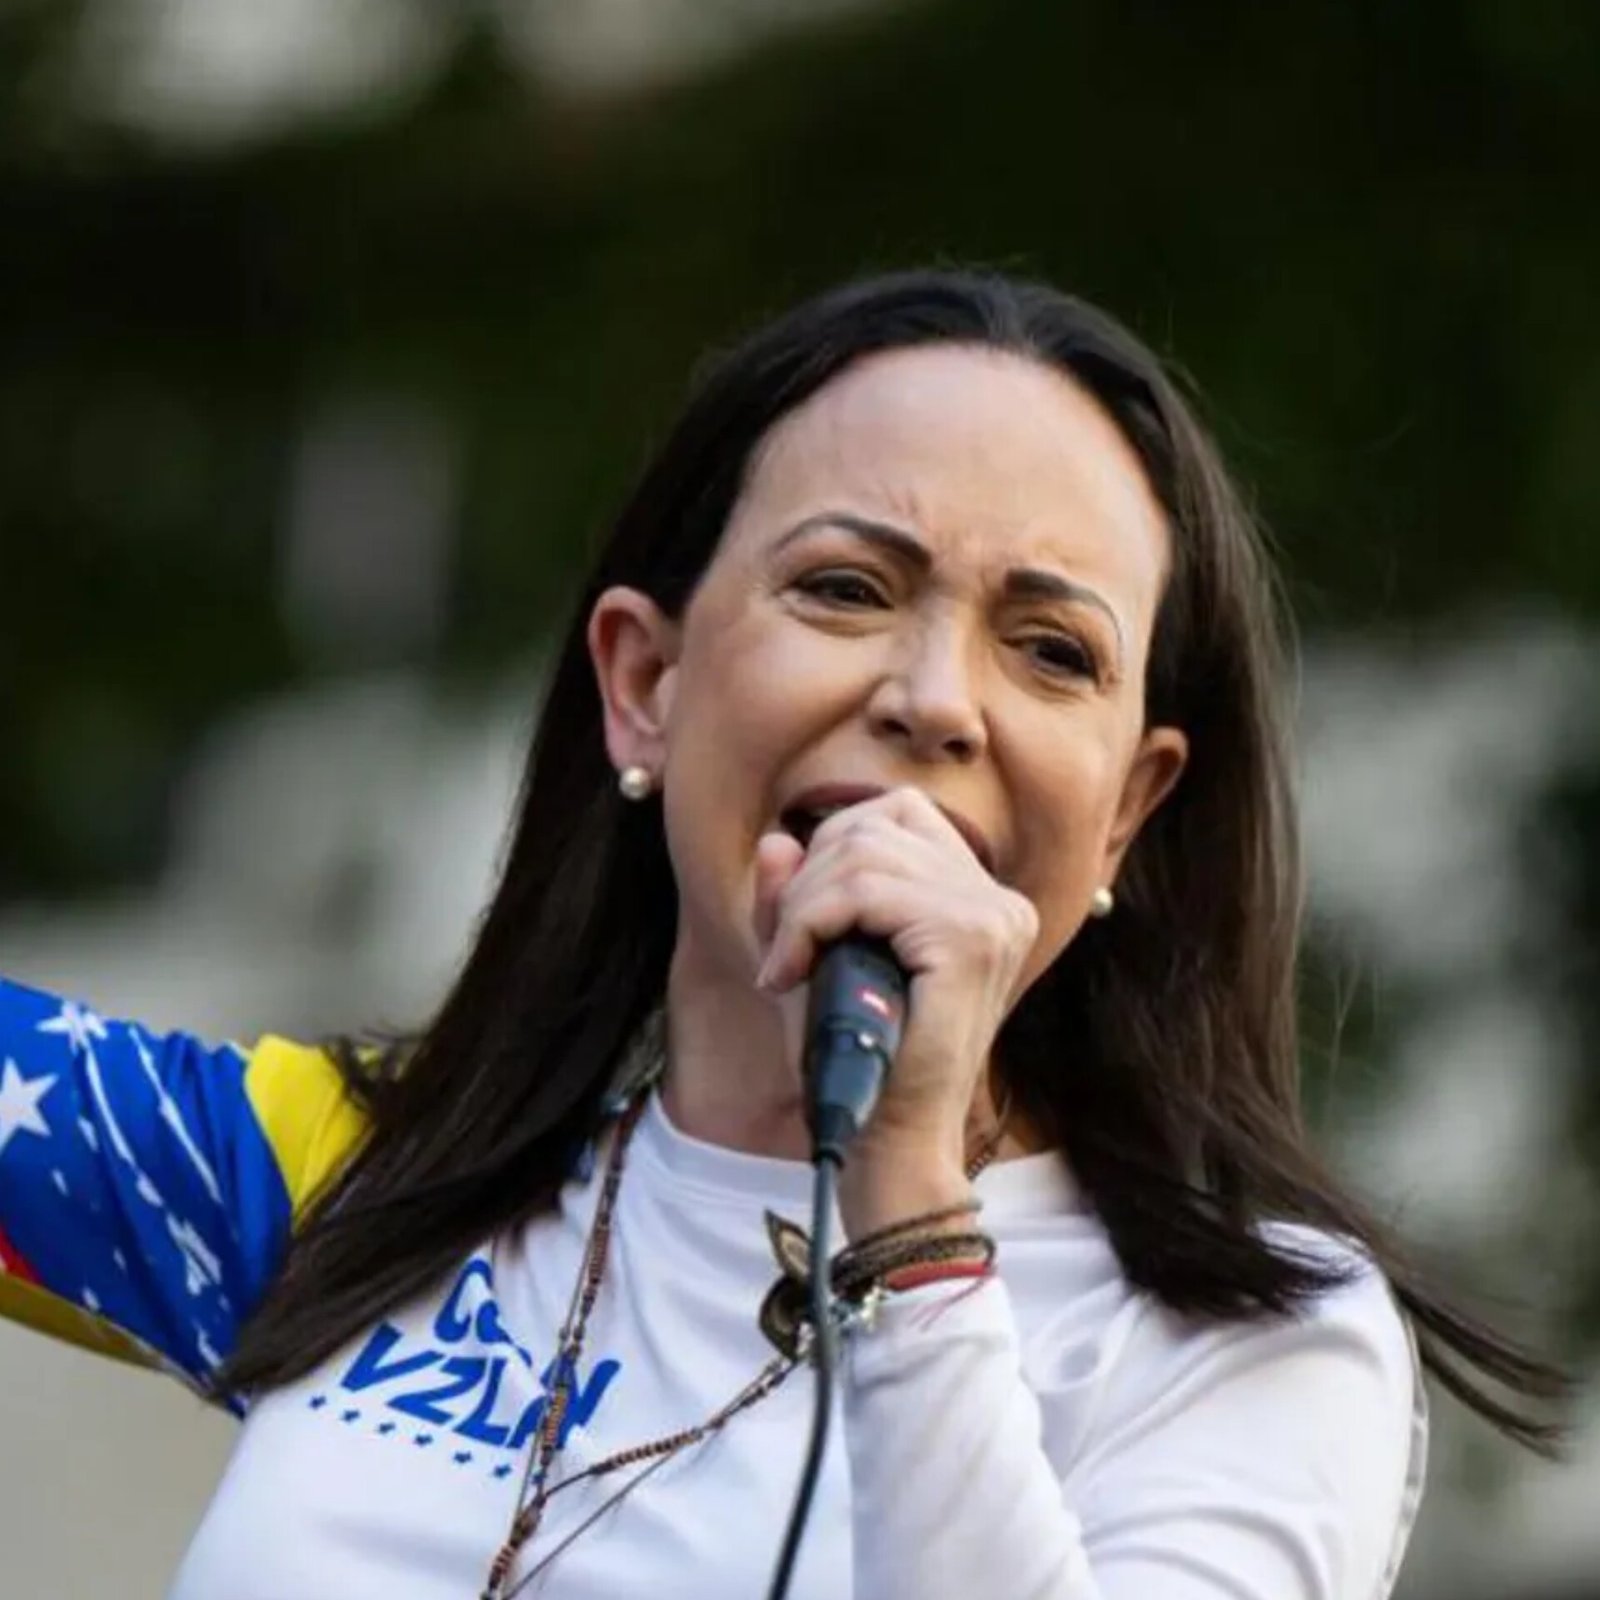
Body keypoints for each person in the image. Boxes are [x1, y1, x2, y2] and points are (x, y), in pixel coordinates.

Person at [0, 268, 1567, 1600]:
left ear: (1126, 816)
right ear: (644, 685)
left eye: (1050, 649)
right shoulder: (359, 1182)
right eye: (844, 587)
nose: (935, 700)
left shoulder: (1246, 1339)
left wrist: (908, 1195)